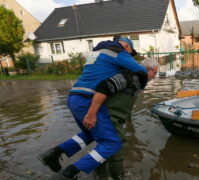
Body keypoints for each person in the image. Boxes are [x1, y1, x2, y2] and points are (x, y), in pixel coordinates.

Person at [37, 36, 157, 179]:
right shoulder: (118, 55)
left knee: (90, 135)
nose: (129, 58)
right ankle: (68, 174)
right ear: (125, 46)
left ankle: (53, 155)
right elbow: (116, 82)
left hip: (74, 96)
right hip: (86, 100)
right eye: (154, 72)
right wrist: (92, 113)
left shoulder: (99, 54)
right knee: (112, 144)